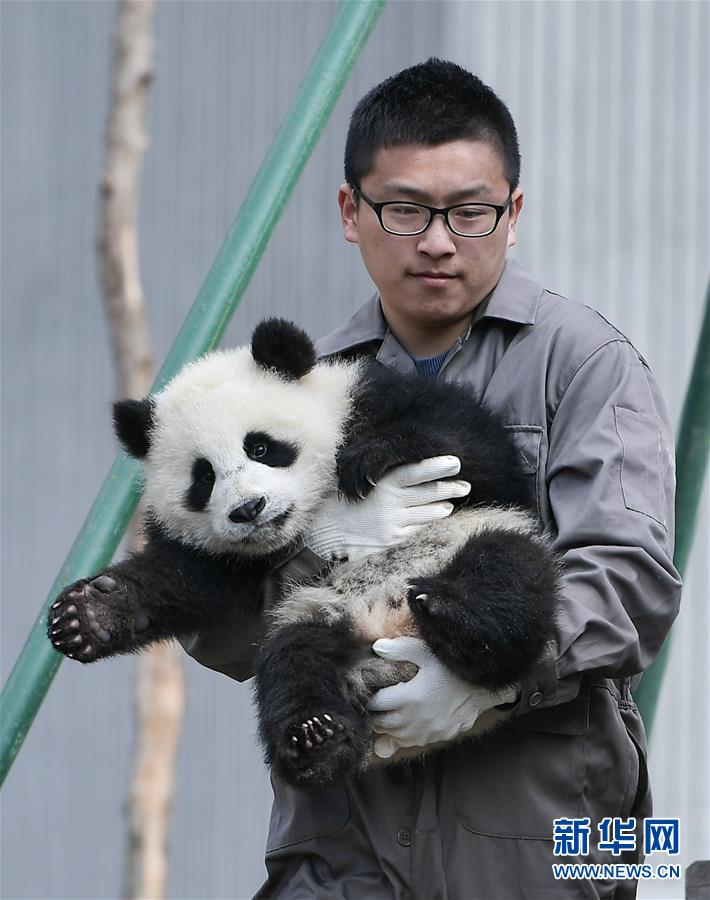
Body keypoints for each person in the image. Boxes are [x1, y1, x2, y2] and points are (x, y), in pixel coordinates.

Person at [182, 59, 681, 899]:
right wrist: (319, 550)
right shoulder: (289, 397)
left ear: (513, 214)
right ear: (352, 212)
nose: (439, 242)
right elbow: (213, 629)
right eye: (406, 209)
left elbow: (629, 579)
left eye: (471, 212)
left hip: (546, 835)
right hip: (342, 845)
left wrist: (490, 679)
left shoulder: (586, 363)